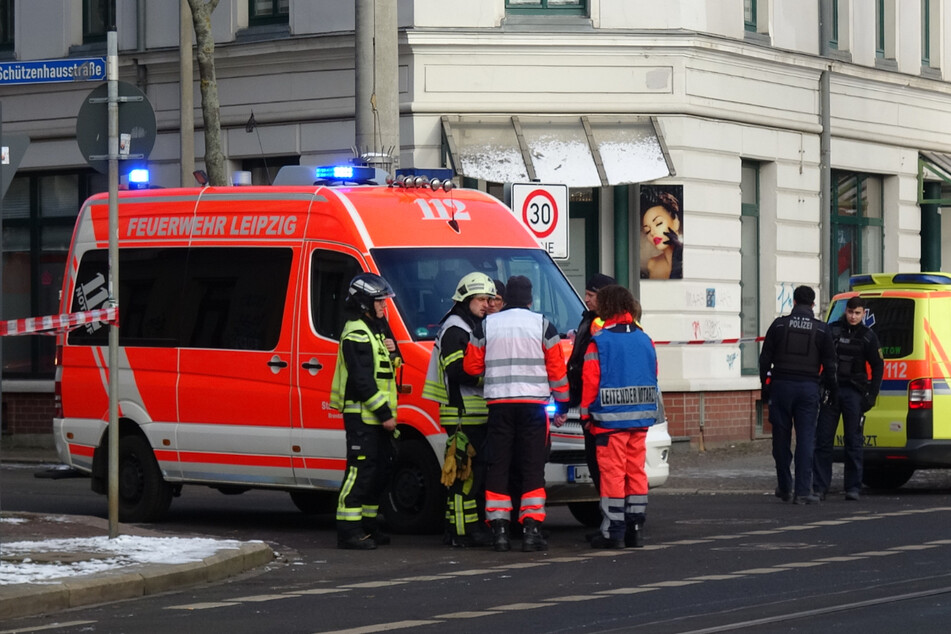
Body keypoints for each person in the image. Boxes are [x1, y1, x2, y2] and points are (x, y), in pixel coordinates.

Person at [463, 275, 570, 552]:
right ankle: (532, 530)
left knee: (498, 466)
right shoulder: (543, 324)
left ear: (506, 299)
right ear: (530, 299)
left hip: (499, 406)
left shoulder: (487, 324)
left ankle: (499, 529)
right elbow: (557, 371)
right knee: (532, 467)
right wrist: (563, 403)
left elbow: (471, 368)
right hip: (534, 408)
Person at [581, 286, 658, 549]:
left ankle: (613, 530)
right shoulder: (644, 338)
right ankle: (635, 528)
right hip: (641, 419)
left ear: (606, 306)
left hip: (609, 421)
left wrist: (585, 414)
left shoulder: (600, 341)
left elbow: (590, 381)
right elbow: (653, 375)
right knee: (635, 472)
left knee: (612, 474)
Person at [422, 272, 496, 547]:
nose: (486, 304)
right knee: (467, 478)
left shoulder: (469, 325)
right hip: (463, 416)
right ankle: (466, 533)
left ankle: (456, 529)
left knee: (466, 476)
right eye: (480, 299)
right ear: (465, 300)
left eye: (488, 299)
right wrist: (489, 378)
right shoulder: (456, 329)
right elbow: (455, 371)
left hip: (472, 415)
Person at [330, 273, 401, 550]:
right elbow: (362, 380)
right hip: (363, 414)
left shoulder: (376, 329)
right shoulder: (357, 331)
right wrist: (384, 414)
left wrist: (394, 354)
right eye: (380, 302)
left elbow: (387, 368)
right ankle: (348, 531)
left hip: (375, 416)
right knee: (360, 471)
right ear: (364, 304)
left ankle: (368, 526)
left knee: (379, 471)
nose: (384, 307)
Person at [759, 285, 837, 505]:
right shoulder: (821, 330)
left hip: (781, 387)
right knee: (805, 440)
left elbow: (765, 359)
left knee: (780, 440)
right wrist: (830, 389)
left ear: (793, 302)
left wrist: (765, 386)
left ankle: (784, 487)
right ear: (813, 304)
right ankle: (803, 491)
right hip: (808, 389)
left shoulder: (779, 325)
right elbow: (830, 365)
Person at [813, 297, 884, 501]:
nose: (853, 316)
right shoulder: (832, 331)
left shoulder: (868, 337)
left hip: (854, 393)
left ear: (863, 314)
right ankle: (819, 487)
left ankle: (853, 487)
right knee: (824, 441)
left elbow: (878, 366)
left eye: (857, 313)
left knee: (853, 441)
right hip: (831, 391)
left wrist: (872, 394)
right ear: (846, 311)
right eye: (850, 312)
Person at [566, 273, 616, 497]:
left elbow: (594, 368)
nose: (586, 299)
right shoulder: (590, 319)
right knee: (598, 465)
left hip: (600, 406)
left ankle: (613, 519)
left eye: (591, 295)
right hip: (590, 403)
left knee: (604, 466)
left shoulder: (602, 323)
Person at [640, 188, 683, 280]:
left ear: (676, 223)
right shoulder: (652, 264)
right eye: (647, 231)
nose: (652, 233)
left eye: (658, 223)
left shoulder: (689, 260)